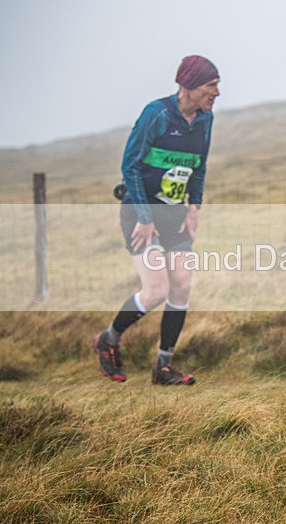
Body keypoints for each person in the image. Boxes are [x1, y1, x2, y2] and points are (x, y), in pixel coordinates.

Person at [93, 55, 220, 385]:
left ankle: (163, 367)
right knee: (155, 289)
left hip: (175, 214)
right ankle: (108, 339)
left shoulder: (205, 119)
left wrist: (195, 207)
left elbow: (199, 167)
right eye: (211, 85)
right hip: (139, 212)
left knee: (182, 284)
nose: (217, 93)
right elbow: (130, 167)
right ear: (188, 85)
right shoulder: (157, 115)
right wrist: (145, 217)